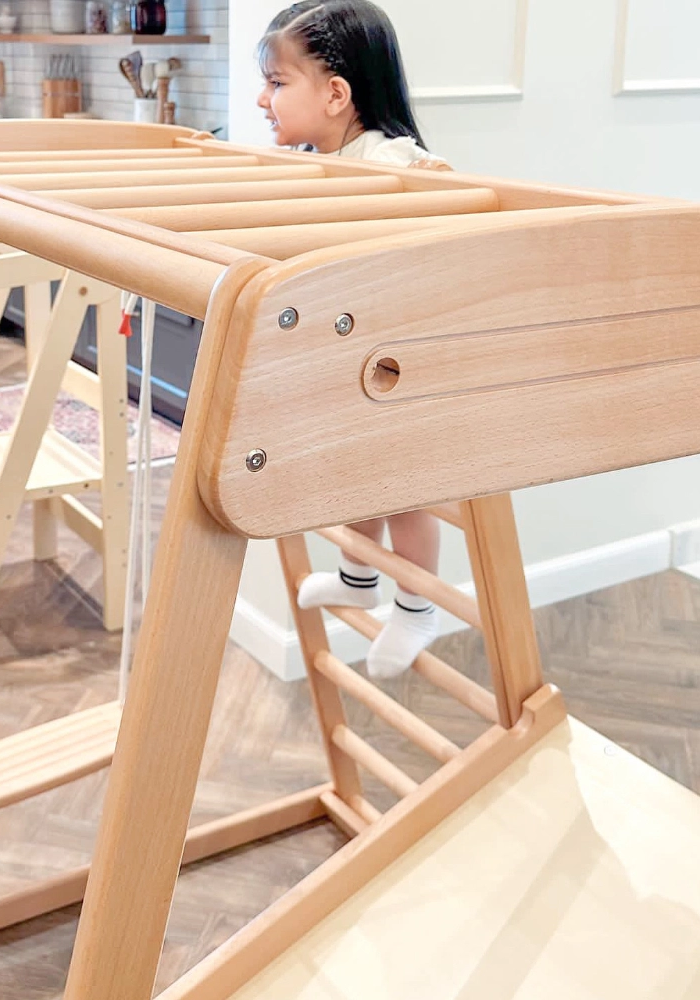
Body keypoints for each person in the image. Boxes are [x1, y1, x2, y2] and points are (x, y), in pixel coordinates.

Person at [257, 0, 449, 679]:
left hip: (407, 366)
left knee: (404, 493)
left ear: (336, 94)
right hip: (359, 359)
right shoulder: (321, 160)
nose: (262, 98)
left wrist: (429, 184)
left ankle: (418, 611)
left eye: (277, 83)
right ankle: (358, 578)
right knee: (358, 480)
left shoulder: (388, 158)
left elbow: (434, 184)